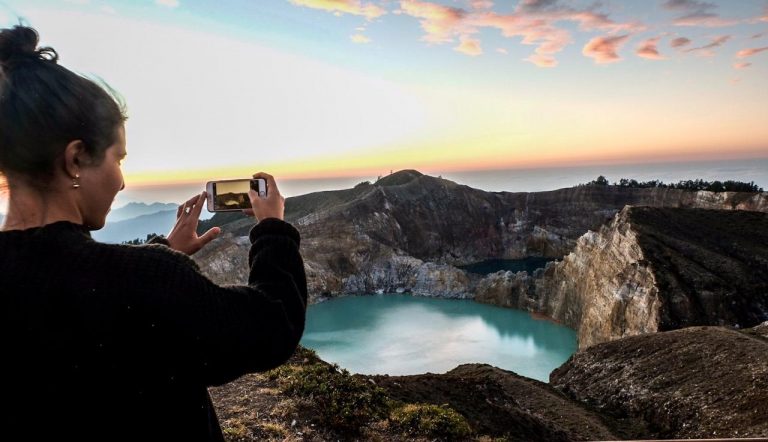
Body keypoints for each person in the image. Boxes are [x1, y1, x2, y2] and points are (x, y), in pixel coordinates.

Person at [0, 25, 307, 441]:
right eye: (118, 159)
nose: (121, 182)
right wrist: (273, 229)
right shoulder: (143, 281)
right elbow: (271, 326)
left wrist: (164, 251)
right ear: (75, 159)